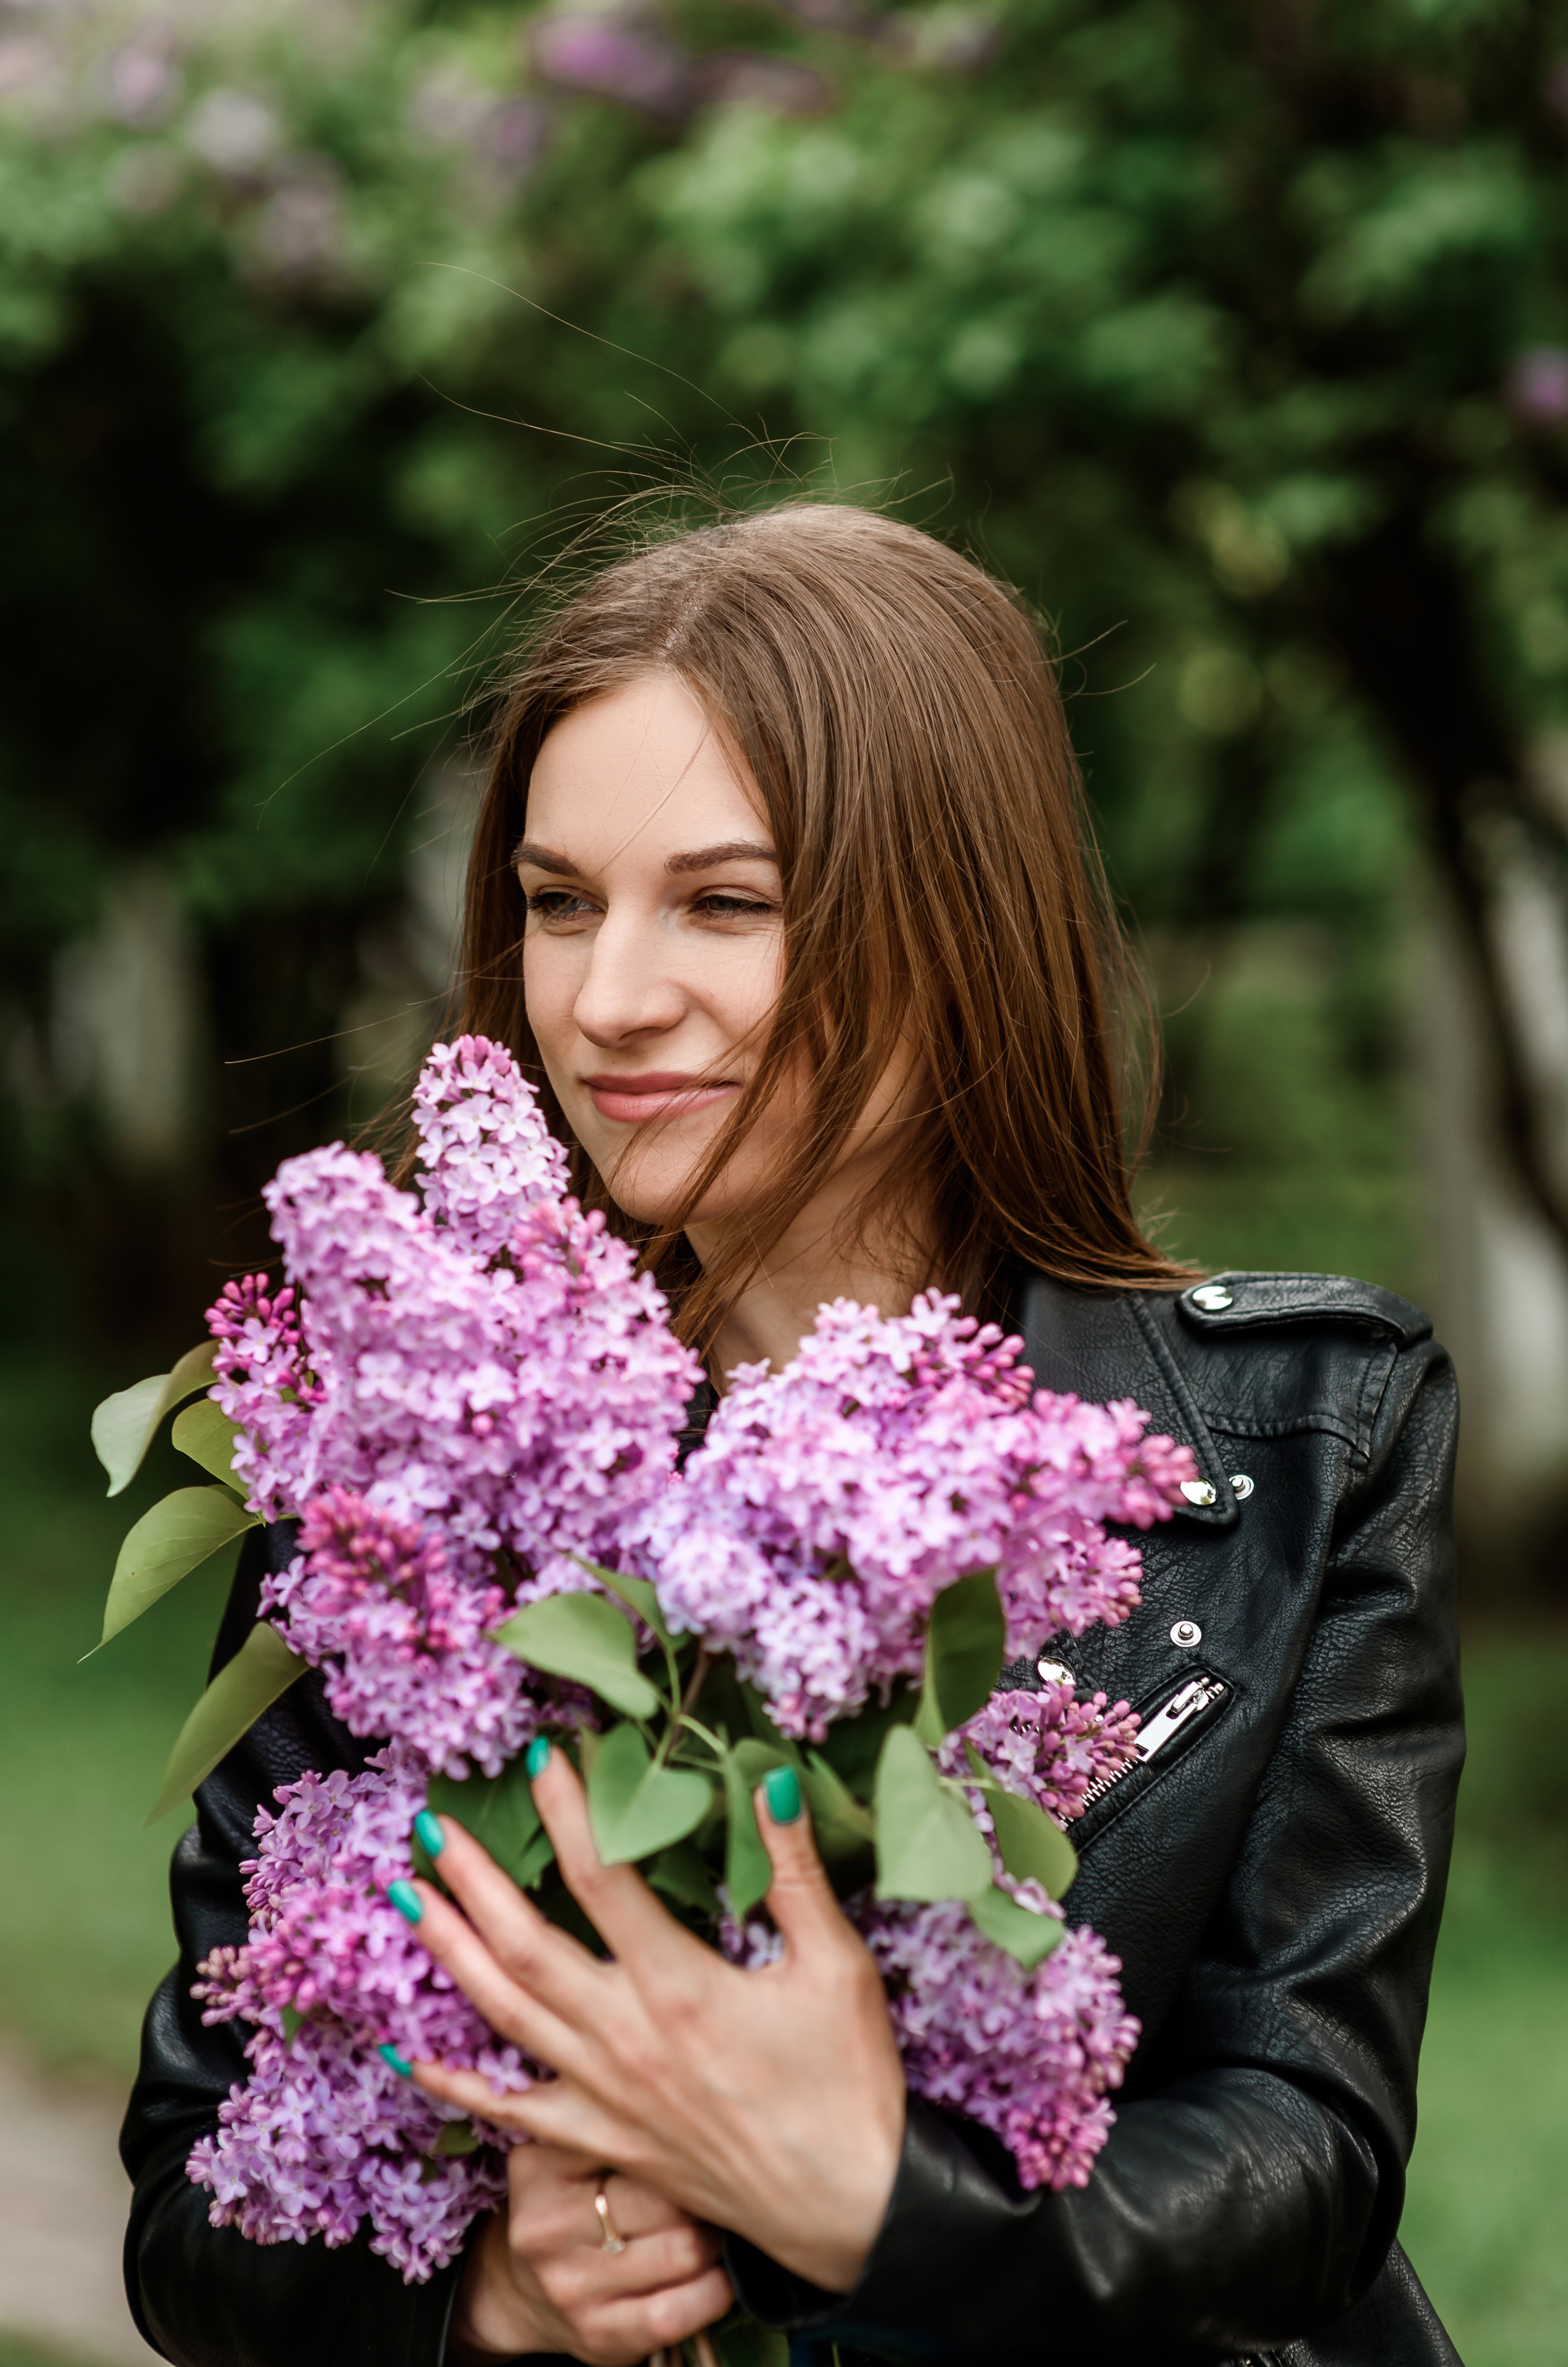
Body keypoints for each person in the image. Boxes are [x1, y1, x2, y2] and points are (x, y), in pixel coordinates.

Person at [122, 503, 1464, 2367]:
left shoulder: (1308, 1438)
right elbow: (200, 2199)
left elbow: (1309, 2151)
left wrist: (872, 2208)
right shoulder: (397, 1475)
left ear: (952, 921)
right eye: (559, 898)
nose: (605, 1002)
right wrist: (494, 2293)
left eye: (726, 903)